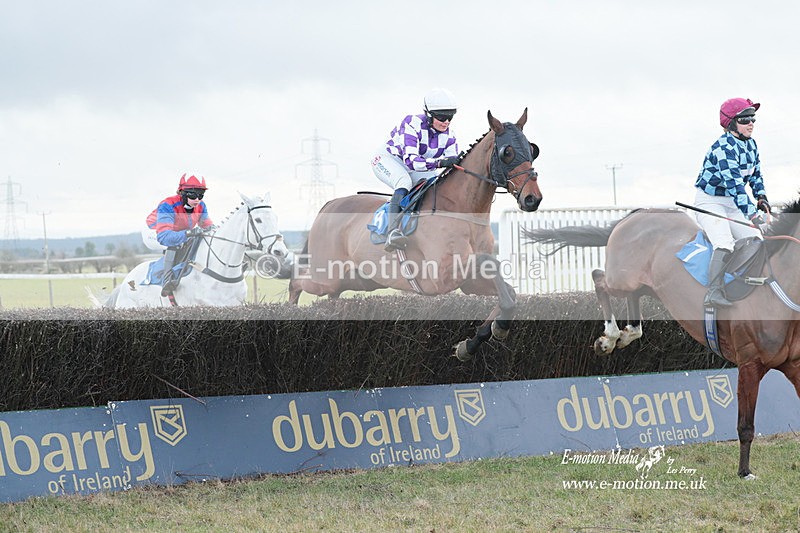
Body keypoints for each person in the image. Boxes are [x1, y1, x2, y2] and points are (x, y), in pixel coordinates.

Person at [694, 97, 770, 308]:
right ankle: (714, 292)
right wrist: (753, 215)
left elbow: (756, 176)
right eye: (745, 119)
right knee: (725, 243)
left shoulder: (751, 144)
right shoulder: (722, 148)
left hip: (732, 203)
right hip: (710, 202)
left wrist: (762, 198)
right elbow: (736, 186)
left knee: (756, 240)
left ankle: (746, 284)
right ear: (731, 123)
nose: (751, 123)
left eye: (753, 118)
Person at [370, 88, 461, 251]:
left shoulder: (450, 136)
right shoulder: (411, 123)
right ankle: (392, 232)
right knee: (403, 181)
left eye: (450, 116)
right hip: (388, 160)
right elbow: (412, 162)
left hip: (417, 164)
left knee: (434, 183)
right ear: (428, 114)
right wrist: (441, 163)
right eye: (441, 117)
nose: (446, 121)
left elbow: (450, 168)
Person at [144, 173, 214, 293]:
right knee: (176, 244)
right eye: (193, 195)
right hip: (153, 231)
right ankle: (167, 281)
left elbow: (208, 226)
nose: (197, 199)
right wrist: (188, 233)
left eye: (201, 195)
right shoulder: (167, 204)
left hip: (177, 231)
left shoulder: (201, 206)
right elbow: (164, 236)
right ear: (182, 193)